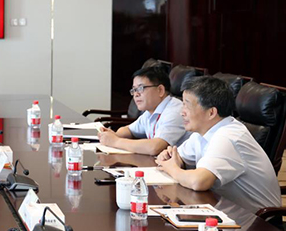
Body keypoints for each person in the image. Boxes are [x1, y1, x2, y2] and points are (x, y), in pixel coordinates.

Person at [155, 76, 281, 212]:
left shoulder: (228, 137)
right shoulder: (203, 132)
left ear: (211, 112)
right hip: (226, 211)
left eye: (187, 105)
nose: (182, 112)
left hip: (257, 221)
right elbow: (179, 157)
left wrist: (172, 169)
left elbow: (199, 181)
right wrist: (171, 157)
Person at [98, 65, 189, 155]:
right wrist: (113, 135)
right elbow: (129, 130)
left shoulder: (175, 111)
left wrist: (115, 141)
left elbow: (154, 147)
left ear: (160, 90)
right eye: (134, 90)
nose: (136, 94)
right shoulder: (150, 111)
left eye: (140, 88)